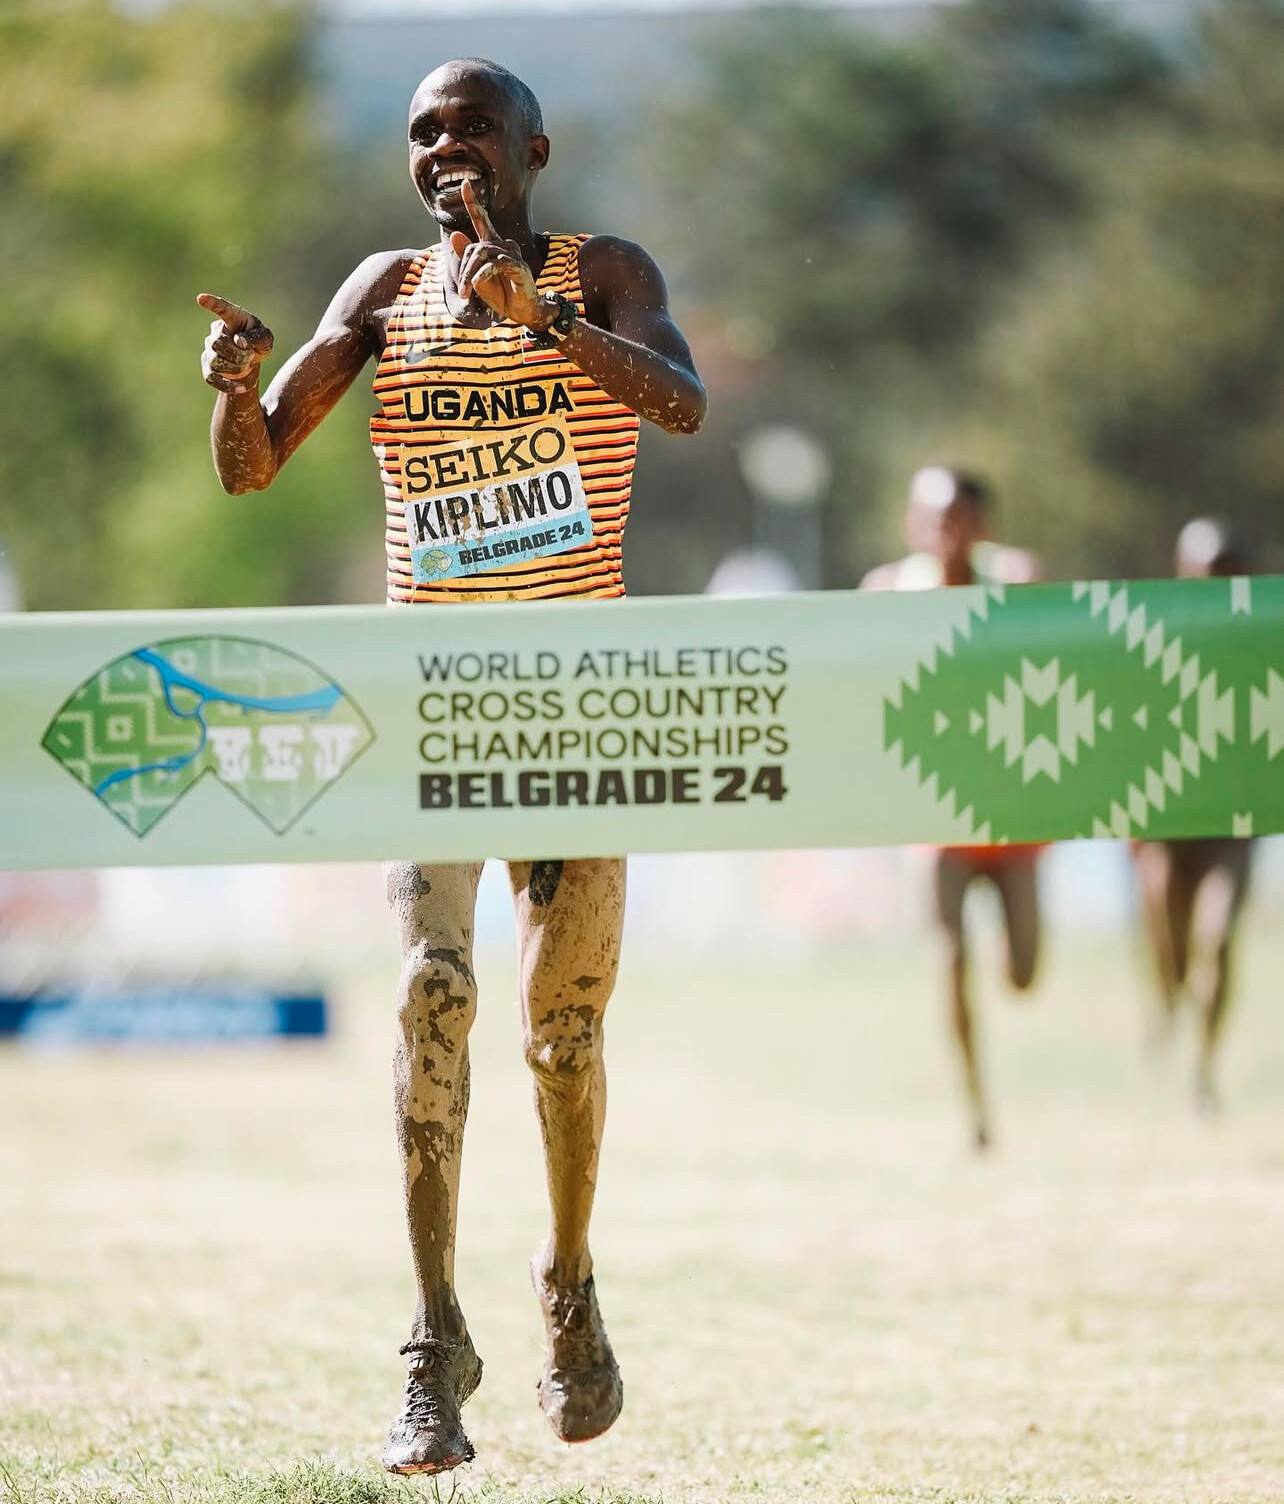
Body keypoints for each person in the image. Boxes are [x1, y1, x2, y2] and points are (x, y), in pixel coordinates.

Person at [195, 58, 705, 1475]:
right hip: (432, 701)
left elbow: (681, 406)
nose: (444, 149)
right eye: (423, 132)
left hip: (580, 701)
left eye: (472, 126)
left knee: (564, 1031)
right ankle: (432, 1341)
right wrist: (230, 388)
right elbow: (250, 465)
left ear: (534, 148)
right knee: (432, 994)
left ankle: (569, 1284)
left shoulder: (602, 270)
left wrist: (544, 320)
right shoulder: (383, 291)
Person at [863, 467, 1042, 1150]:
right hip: (933, 807)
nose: (946, 531)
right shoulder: (888, 591)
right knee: (950, 961)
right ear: (911, 524)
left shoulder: (1013, 580)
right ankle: (976, 1110)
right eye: (933, 518)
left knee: (1022, 976)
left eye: (958, 518)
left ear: (981, 524)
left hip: (1011, 807)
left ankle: (1004, 939)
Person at [1131, 518, 1253, 1112]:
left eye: (1225, 574)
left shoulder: (1263, 638)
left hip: (1236, 819)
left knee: (1219, 935)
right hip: (1168, 819)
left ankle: (1204, 1067)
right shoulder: (1150, 635)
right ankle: (1168, 1005)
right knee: (1169, 942)